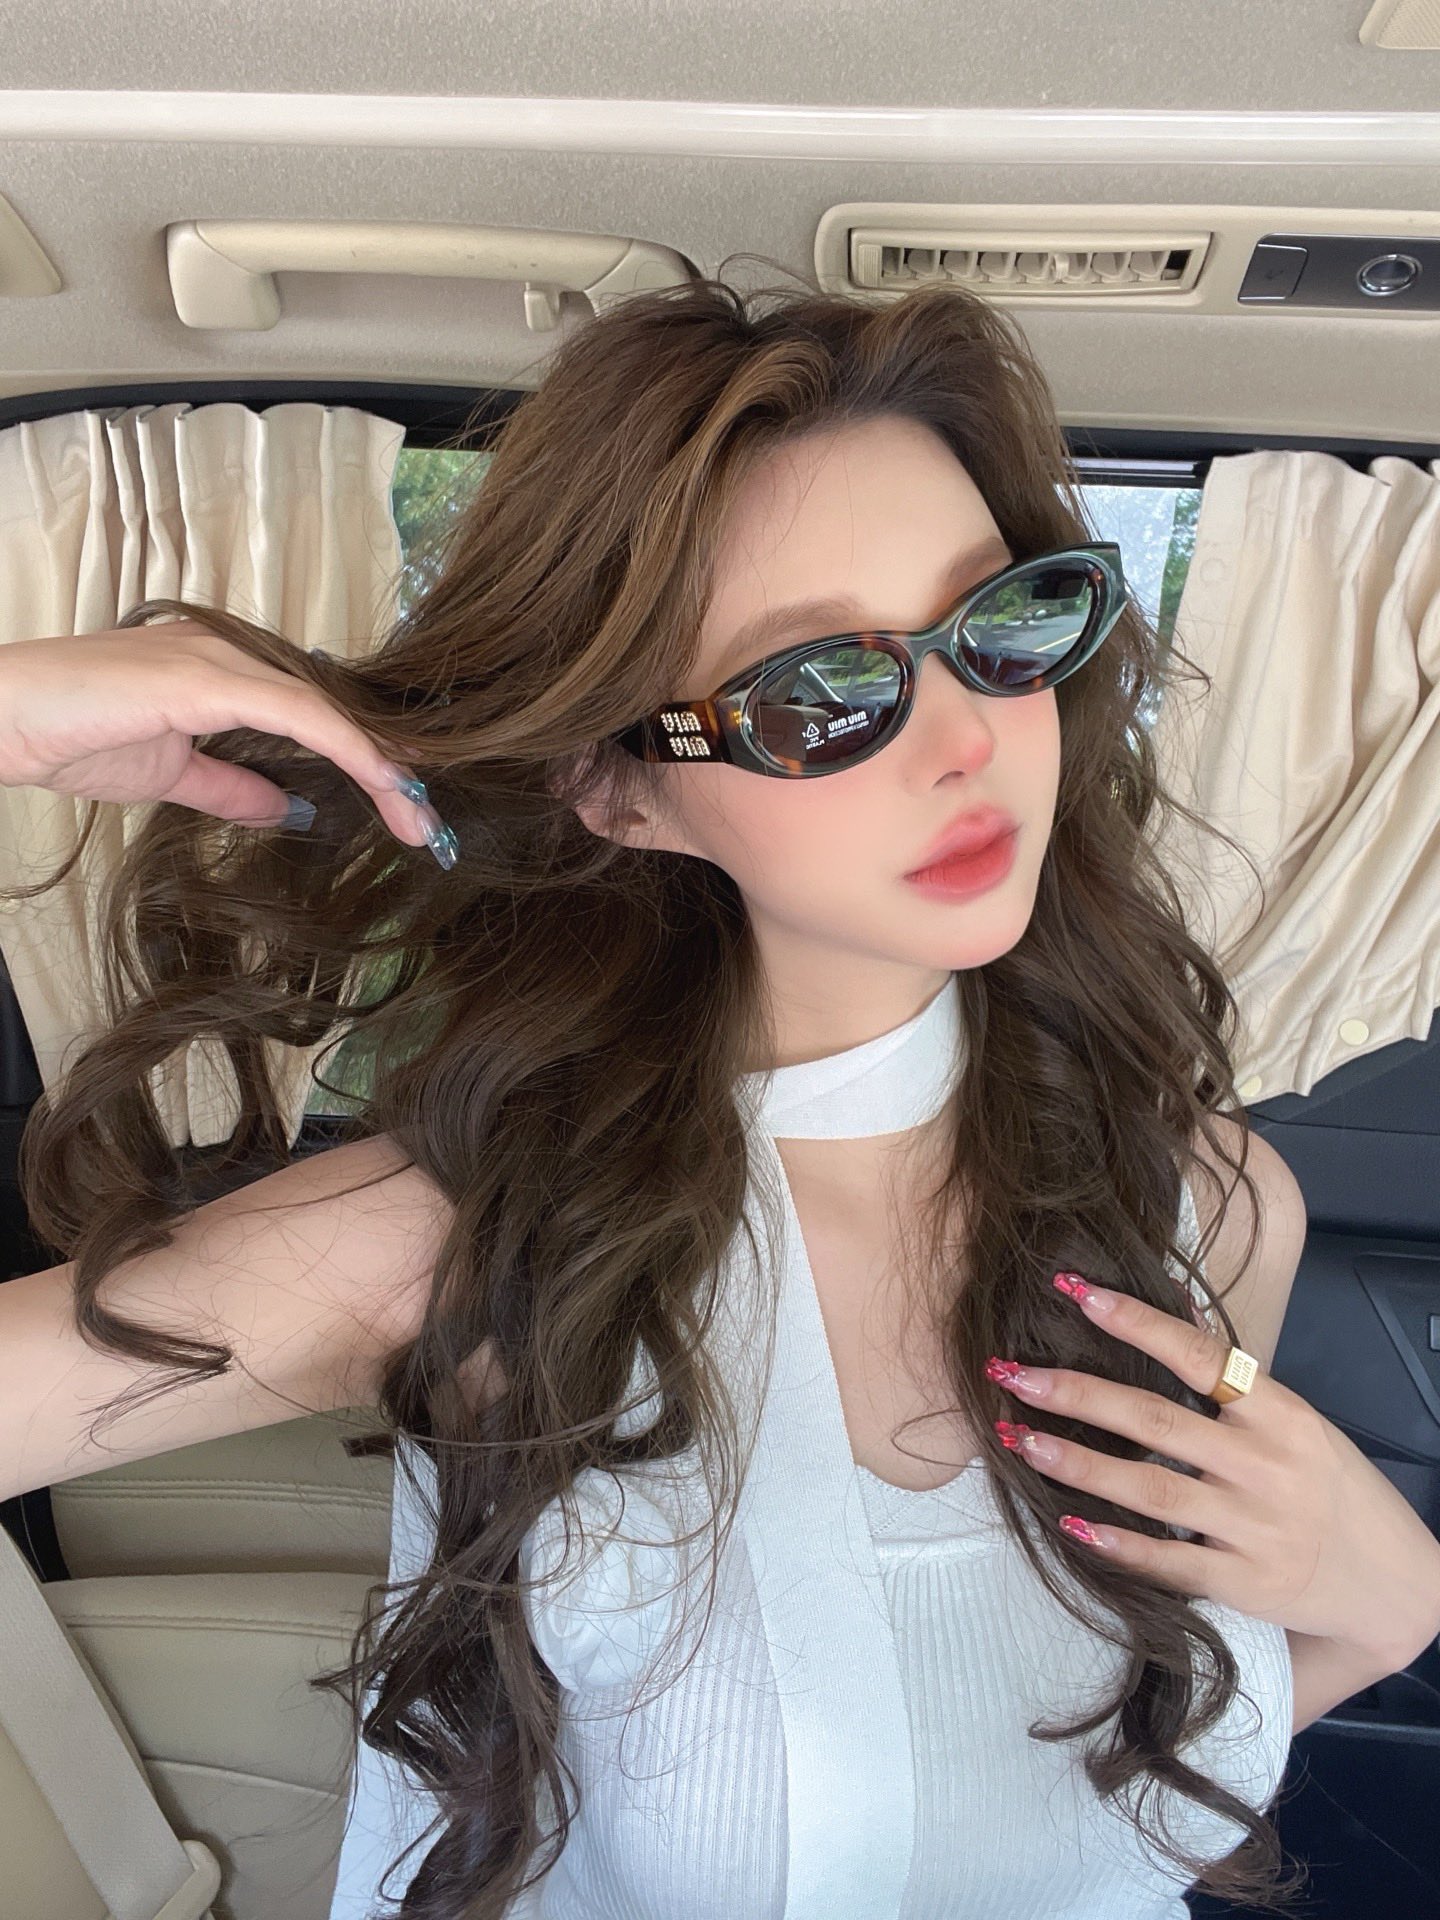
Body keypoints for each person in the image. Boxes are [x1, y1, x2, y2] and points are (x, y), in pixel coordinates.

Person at [3, 273, 1438, 1920]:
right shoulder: (465, 1240)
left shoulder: (1210, 1199)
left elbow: (1082, 1803)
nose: (967, 740)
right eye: (817, 693)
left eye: (1003, 623)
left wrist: (1389, 1605)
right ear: (619, 790)